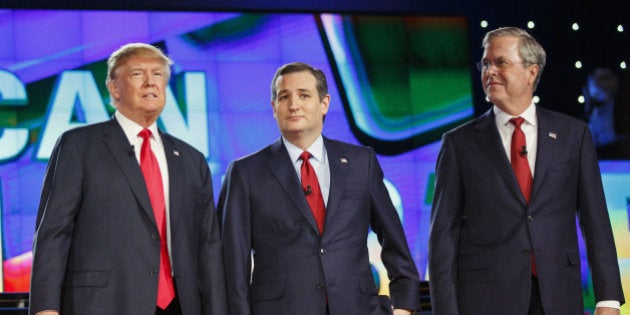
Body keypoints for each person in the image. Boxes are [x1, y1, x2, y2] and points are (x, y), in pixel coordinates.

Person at [428, 27, 625, 314]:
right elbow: (442, 236)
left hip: (558, 295)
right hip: (484, 299)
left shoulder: (574, 135)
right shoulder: (458, 143)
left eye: (500, 62)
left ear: (532, 72)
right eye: (485, 63)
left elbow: (596, 222)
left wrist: (607, 298)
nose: (490, 71)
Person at [29, 43, 227, 315]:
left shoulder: (192, 159)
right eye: (137, 74)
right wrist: (45, 307)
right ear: (113, 87)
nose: (150, 82)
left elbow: (209, 248)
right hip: (103, 304)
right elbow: (54, 233)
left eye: (158, 74)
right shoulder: (79, 145)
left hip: (180, 305)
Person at [218, 62, 421, 315]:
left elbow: (395, 241)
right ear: (274, 108)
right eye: (284, 97)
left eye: (304, 95)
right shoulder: (245, 173)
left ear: (324, 103)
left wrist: (405, 306)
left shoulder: (361, 162)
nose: (294, 104)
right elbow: (231, 267)